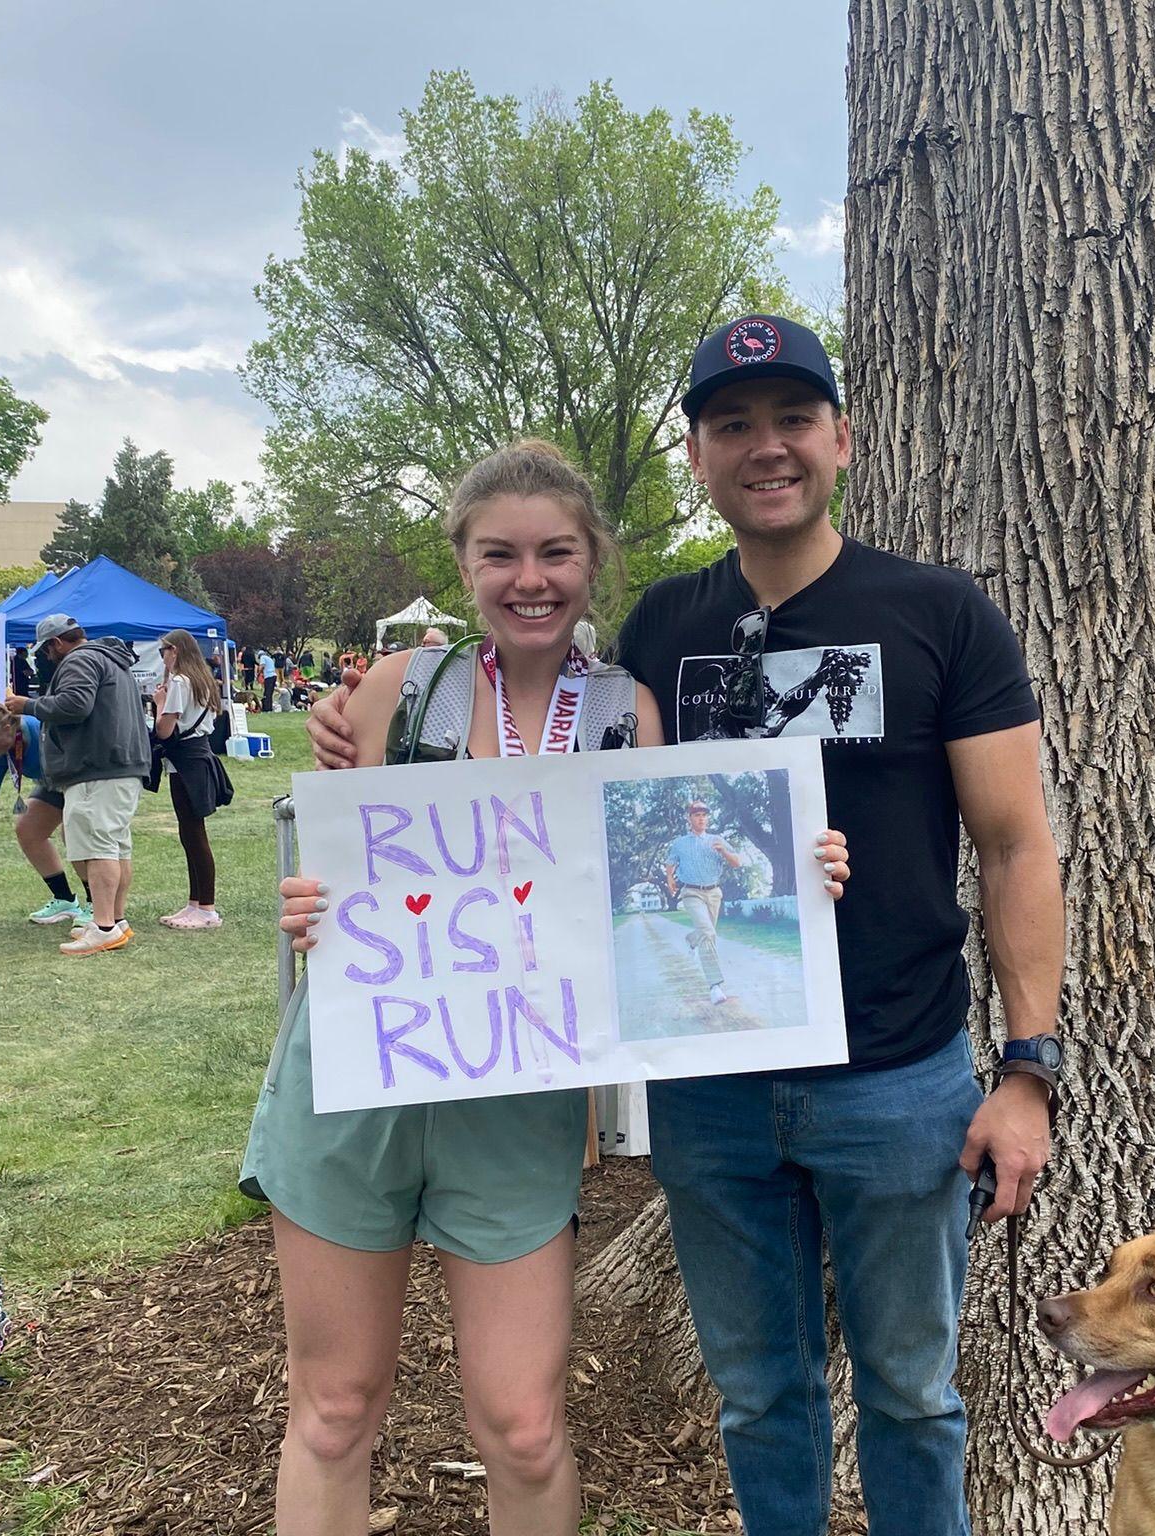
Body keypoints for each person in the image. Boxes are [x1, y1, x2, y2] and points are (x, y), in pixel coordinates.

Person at [306, 314, 1063, 1536]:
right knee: (761, 1401)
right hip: (710, 1086)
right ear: (701, 460)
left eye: (791, 420)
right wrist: (354, 756)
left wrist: (1029, 1067)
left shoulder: (941, 613)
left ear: (842, 440)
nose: (765, 447)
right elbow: (574, 828)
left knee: (916, 1399)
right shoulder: (660, 628)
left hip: (898, 1077)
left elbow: (1019, 845)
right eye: (731, 426)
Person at [268, 437, 852, 1536]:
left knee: (525, 1426)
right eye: (499, 555)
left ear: (593, 564)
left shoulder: (629, 714)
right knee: (336, 1409)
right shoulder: (401, 690)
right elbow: (336, 878)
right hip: (359, 1079)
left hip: (518, 1090)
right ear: (465, 564)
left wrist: (799, 871)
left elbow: (665, 879)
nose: (528, 579)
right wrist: (309, 912)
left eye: (555, 553)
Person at [1, 613, 149, 955]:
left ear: (56, 643)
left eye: (46, 649)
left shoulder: (79, 660)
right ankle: (116, 920)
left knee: (97, 848)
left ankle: (103, 926)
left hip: (95, 768)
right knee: (114, 846)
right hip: (119, 764)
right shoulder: (110, 659)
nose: (44, 657)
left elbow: (75, 705)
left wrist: (28, 705)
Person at [151, 629, 228, 930]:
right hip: (198, 757)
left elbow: (164, 730)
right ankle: (196, 902)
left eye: (163, 652)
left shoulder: (181, 682)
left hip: (185, 761)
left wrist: (159, 702)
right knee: (191, 832)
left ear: (175, 651)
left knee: (193, 834)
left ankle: (206, 906)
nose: (163, 658)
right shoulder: (202, 679)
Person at [0, 702, 90, 926]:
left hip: (82, 777)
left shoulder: (39, 727)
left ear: (7, 727)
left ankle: (96, 903)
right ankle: (65, 900)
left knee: (75, 832)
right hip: (53, 784)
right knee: (28, 829)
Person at [663, 799, 743, 1004]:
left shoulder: (717, 839)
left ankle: (692, 939)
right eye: (697, 814)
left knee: (705, 932)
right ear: (689, 818)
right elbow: (670, 862)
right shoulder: (680, 843)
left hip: (714, 893)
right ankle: (714, 986)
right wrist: (670, 879)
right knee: (708, 933)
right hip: (691, 893)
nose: (701, 818)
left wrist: (723, 851)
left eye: (704, 814)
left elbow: (737, 863)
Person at [259, 648, 277, 713]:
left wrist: (259, 672)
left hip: (268, 676)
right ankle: (269, 707)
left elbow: (262, 665)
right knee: (270, 692)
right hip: (274, 675)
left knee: (267, 693)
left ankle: (267, 708)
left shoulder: (262, 657)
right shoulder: (269, 658)